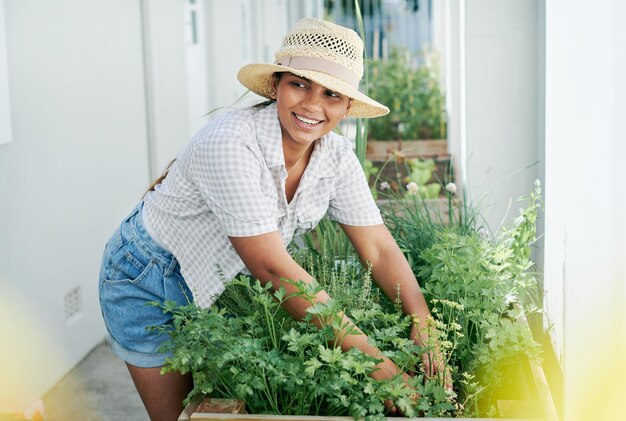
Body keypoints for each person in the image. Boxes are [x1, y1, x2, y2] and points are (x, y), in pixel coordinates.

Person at [99, 17, 447, 421]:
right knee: (187, 417)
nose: (312, 105)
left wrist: (423, 321)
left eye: (331, 94)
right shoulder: (231, 144)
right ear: (278, 84)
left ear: (348, 106)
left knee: (228, 405)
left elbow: (380, 250)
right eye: (300, 84)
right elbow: (273, 268)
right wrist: (383, 371)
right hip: (148, 279)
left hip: (221, 281)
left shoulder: (335, 158)